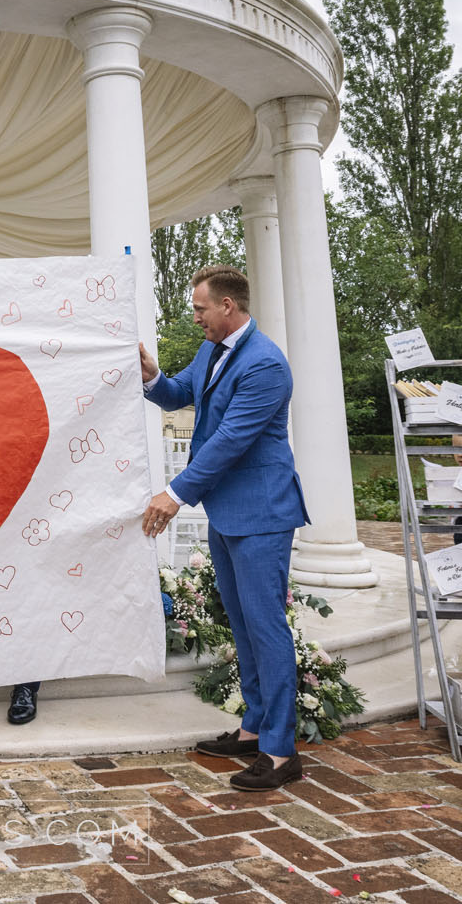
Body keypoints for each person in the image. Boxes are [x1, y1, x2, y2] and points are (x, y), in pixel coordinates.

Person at [137, 263, 310, 791]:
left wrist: (175, 493)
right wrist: (152, 376)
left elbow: (231, 439)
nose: (196, 318)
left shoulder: (266, 364)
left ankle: (281, 753)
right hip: (227, 512)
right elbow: (180, 392)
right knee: (242, 624)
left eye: (199, 308)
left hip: (261, 513)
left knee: (266, 627)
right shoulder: (213, 350)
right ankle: (254, 728)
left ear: (227, 307)